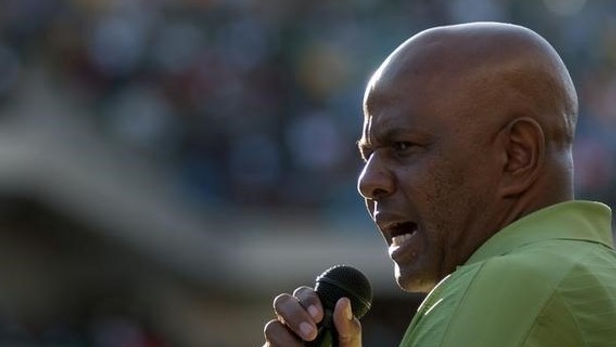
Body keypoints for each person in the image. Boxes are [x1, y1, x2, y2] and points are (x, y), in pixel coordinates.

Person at [262, 22, 616, 346]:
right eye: (367, 154)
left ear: (516, 154)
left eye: (402, 147)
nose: (368, 181)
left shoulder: (502, 288)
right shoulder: (590, 273)